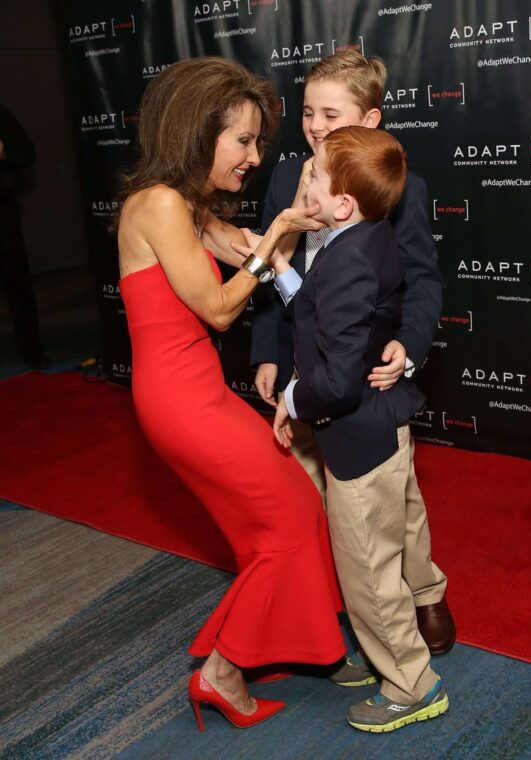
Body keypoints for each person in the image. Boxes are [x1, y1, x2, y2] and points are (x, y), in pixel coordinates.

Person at [115, 57, 346, 732]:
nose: (253, 156)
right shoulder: (157, 205)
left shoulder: (184, 206)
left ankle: (254, 644)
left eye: (256, 142)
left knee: (283, 516)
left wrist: (292, 241)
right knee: (288, 522)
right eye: (242, 140)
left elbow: (255, 255)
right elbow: (219, 308)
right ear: (197, 132)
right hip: (182, 404)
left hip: (197, 394)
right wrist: (275, 234)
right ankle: (222, 671)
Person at [249, 51, 455, 669]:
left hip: (365, 373)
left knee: (394, 497)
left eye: (330, 114)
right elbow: (271, 268)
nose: (314, 125)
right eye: (308, 111)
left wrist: (410, 344)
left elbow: (423, 281)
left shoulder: (399, 186)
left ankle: (423, 593)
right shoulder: (287, 178)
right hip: (301, 365)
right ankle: (342, 606)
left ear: (369, 118)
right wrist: (267, 353)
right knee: (318, 497)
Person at [0, 104, 49, 368]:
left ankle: (31, 349)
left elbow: (26, 152)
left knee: (17, 281)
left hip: (2, 210)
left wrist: (4, 151)